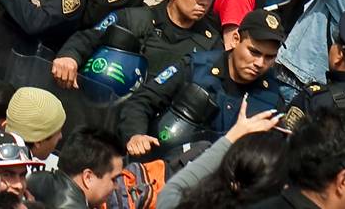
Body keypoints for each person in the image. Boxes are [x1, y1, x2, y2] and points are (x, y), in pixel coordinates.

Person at [117, 9, 287, 155]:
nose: (260, 63)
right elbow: (142, 100)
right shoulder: (196, 67)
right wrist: (135, 135)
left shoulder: (271, 100)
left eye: (269, 57)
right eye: (254, 52)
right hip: (164, 165)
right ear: (235, 40)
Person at [53, 0, 224, 89]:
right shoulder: (135, 19)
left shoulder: (211, 43)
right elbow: (88, 38)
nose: (204, 1)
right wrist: (70, 57)